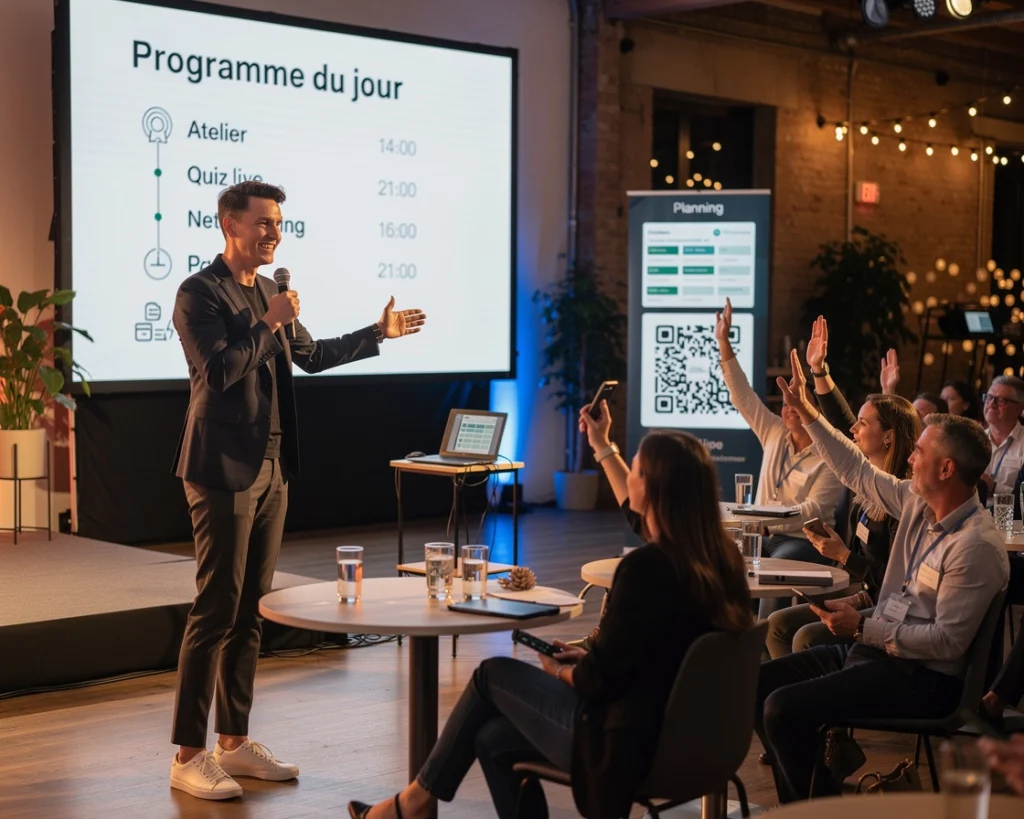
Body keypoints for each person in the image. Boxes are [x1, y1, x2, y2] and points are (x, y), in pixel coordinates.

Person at [169, 181, 426, 800]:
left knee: (251, 610)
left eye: (279, 223)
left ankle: (233, 742)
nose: (274, 233)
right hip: (221, 466)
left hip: (273, 466)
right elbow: (219, 370)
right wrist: (267, 322)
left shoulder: (268, 292)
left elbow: (310, 355)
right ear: (230, 224)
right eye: (263, 222)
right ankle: (188, 754)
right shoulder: (199, 292)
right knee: (216, 607)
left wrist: (378, 332)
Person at [348, 428, 754, 819]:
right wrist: (590, 659)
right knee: (491, 739)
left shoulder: (646, 569)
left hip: (626, 743)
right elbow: (657, 656)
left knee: (491, 674)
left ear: (652, 489)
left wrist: (561, 670)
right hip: (697, 743)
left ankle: (413, 803)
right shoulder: (723, 564)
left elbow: (599, 682)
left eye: (634, 469)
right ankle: (413, 803)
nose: (628, 478)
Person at [755, 348, 1009, 804]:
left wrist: (863, 626)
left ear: (946, 469)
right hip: (878, 653)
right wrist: (809, 411)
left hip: (923, 680)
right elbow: (854, 467)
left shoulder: (976, 546)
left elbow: (947, 643)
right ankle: (819, 800)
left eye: (919, 453)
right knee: (758, 686)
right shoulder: (916, 502)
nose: (909, 460)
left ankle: (812, 810)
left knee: (781, 707)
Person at [765, 317, 920, 660]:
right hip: (865, 592)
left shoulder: (900, 497)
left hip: (890, 608)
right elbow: (841, 422)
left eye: (862, 424)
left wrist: (844, 556)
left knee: (802, 635)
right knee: (777, 624)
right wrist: (819, 371)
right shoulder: (869, 481)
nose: (852, 430)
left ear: (889, 437)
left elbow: (897, 582)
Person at [715, 299, 844, 619]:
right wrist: (723, 342)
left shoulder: (829, 454)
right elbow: (743, 396)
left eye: (797, 401)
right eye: (786, 402)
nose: (789, 407)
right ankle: (730, 639)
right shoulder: (774, 431)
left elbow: (812, 512)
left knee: (771, 573)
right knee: (721, 566)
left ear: (812, 409)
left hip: (803, 541)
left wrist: (761, 521)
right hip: (759, 534)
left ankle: (768, 645)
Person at [980, 375, 1024, 499]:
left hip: (1012, 512)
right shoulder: (973, 438)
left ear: (1018, 409)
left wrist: (994, 487)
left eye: (1001, 400)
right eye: (989, 397)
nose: (991, 404)